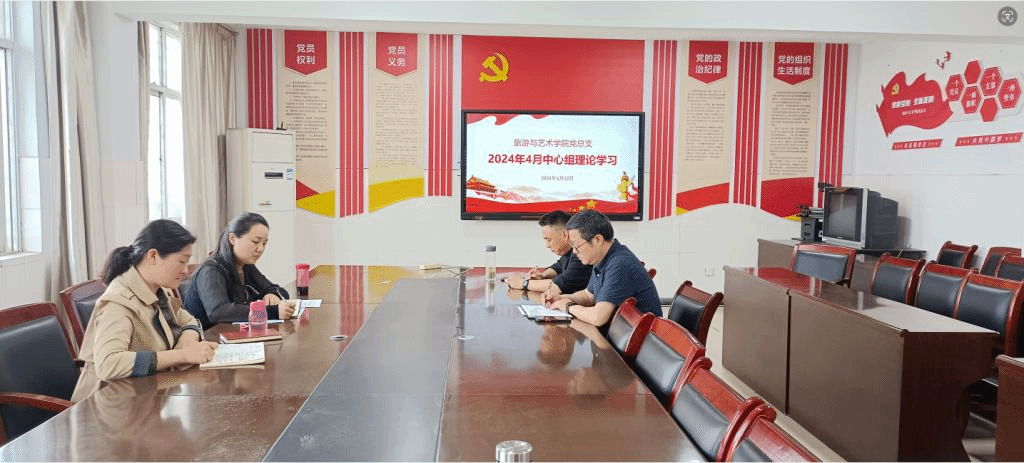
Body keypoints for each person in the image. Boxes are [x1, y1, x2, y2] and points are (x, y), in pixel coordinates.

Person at [71, 219, 219, 402]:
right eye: (181, 261)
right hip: (106, 407)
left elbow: (188, 320)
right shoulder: (118, 302)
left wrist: (187, 341)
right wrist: (182, 355)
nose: (186, 271)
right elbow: (109, 364)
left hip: (143, 397)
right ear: (153, 256)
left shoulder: (155, 290)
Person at [544, 209, 661, 329]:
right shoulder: (604, 257)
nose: (574, 252)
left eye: (576, 246)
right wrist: (561, 299)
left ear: (597, 240)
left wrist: (568, 306)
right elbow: (588, 296)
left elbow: (598, 317)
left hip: (636, 339)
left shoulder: (619, 264)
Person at [184, 212, 295, 329]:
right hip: (210, 336)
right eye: (255, 242)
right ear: (232, 239)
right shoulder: (211, 270)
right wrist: (272, 312)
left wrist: (272, 294)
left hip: (237, 332)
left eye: (264, 243)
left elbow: (279, 290)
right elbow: (219, 312)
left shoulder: (246, 265)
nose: (261, 249)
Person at [504, 210, 592, 296]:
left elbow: (562, 284)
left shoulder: (582, 254)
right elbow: (558, 267)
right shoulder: (569, 252)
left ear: (565, 235)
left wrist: (524, 284)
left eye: (549, 240)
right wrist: (543, 275)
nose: (547, 245)